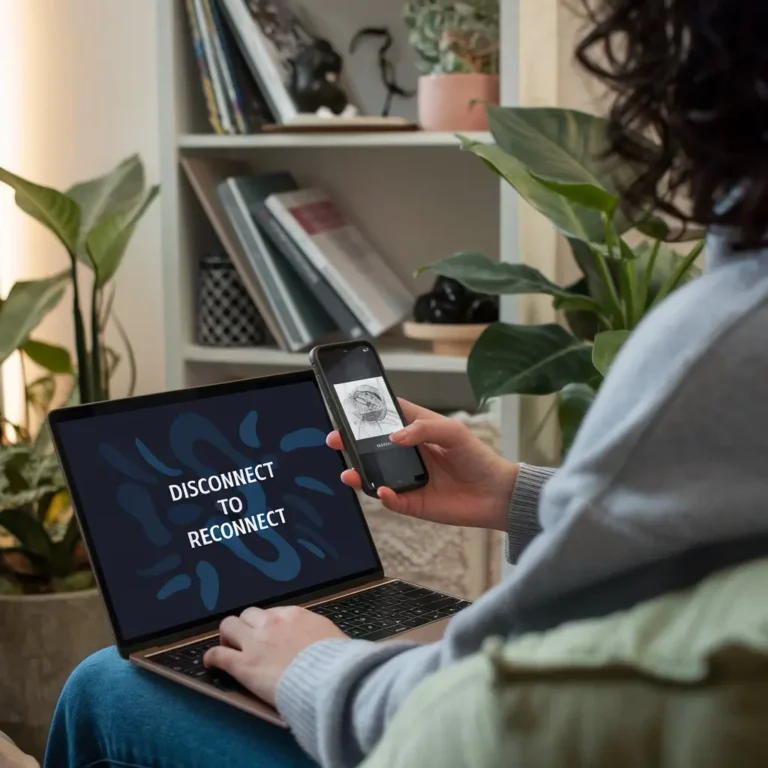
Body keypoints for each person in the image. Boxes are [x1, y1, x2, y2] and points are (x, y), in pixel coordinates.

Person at [46, 0, 768, 766]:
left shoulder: (727, 336)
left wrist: (313, 665)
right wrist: (511, 492)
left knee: (105, 685)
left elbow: (488, 709)